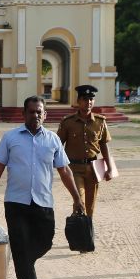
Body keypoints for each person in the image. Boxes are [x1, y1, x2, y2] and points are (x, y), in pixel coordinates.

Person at [0, 95, 85, 279]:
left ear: (44, 115)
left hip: (43, 202)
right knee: (19, 243)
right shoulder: (11, 138)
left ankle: (24, 263)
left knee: (45, 241)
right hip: (16, 202)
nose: (35, 115)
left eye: (39, 112)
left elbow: (64, 170)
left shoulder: (53, 140)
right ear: (23, 113)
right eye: (31, 111)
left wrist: (77, 198)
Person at [57, 85, 115, 220]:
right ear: (78, 101)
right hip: (74, 169)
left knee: (90, 207)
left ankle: (87, 235)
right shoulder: (68, 122)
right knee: (79, 202)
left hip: (93, 169)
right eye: (84, 99)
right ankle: (78, 236)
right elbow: (58, 145)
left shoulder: (100, 122)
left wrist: (110, 168)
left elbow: (104, 146)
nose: (88, 102)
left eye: (91, 99)